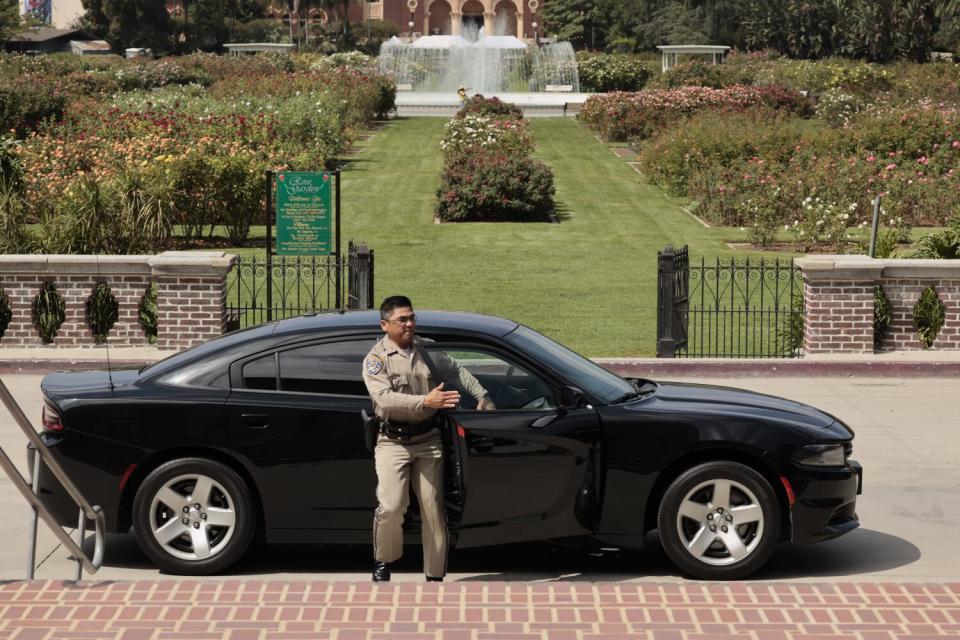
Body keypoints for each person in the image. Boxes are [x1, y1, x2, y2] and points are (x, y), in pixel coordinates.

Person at [362, 296, 494, 582]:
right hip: (392, 442)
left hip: (428, 439)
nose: (409, 324)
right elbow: (384, 398)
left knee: (433, 508)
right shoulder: (376, 360)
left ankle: (435, 574)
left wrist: (482, 395)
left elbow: (457, 371)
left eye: (412, 318)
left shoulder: (427, 350)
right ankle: (383, 561)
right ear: (385, 324)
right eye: (402, 320)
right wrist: (427, 400)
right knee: (391, 506)